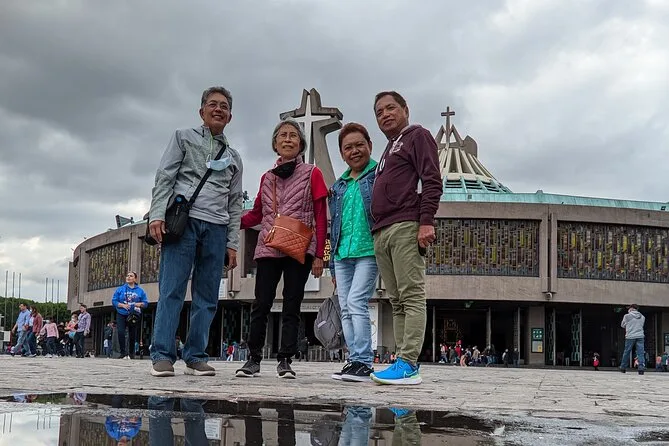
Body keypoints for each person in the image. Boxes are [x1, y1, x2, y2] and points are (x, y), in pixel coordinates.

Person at [148, 86, 243, 377]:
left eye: (224, 106)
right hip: (184, 222)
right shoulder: (183, 137)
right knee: (172, 289)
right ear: (201, 111)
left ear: (230, 116)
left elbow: (235, 201)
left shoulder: (235, 157)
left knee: (208, 296)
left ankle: (196, 355)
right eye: (213, 104)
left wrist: (232, 242)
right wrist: (156, 214)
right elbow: (165, 176)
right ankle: (162, 354)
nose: (218, 109)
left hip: (217, 227)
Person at [236, 118, 328, 379]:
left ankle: (285, 359)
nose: (288, 139)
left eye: (293, 135)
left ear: (301, 144)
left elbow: (321, 215)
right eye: (282, 136)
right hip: (269, 245)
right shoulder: (267, 178)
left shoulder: (312, 173)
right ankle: (253, 358)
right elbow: (256, 214)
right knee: (261, 303)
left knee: (292, 303)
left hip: (299, 246)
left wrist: (319, 254)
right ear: (275, 144)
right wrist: (229, 220)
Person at [368, 91, 442, 386]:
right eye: (379, 112)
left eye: (390, 108)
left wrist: (426, 221)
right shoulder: (389, 148)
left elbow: (432, 180)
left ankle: (409, 363)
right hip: (382, 230)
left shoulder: (417, 136)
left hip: (405, 224)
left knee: (411, 295)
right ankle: (400, 361)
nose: (385, 114)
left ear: (405, 109)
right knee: (396, 300)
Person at [328, 122, 378, 382]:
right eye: (348, 147)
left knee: (357, 302)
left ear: (370, 145)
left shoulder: (379, 174)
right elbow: (334, 226)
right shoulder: (340, 186)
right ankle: (353, 360)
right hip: (342, 254)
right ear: (342, 153)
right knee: (345, 307)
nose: (354, 151)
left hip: (368, 250)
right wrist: (332, 264)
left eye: (360, 145)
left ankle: (364, 362)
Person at [112, 271, 149, 360]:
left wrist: (139, 304)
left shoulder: (140, 291)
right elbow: (114, 301)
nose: (128, 277)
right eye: (127, 275)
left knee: (132, 334)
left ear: (135, 279)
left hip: (133, 315)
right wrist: (122, 305)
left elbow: (145, 303)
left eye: (131, 276)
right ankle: (123, 352)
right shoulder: (120, 289)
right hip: (121, 313)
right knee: (121, 332)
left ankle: (131, 353)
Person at [619, 304, 646, 375]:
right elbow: (641, 325)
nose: (628, 310)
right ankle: (641, 368)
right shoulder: (642, 317)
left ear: (631, 309)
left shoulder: (627, 316)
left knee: (627, 352)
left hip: (630, 336)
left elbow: (622, 325)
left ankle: (623, 367)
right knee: (640, 353)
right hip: (640, 336)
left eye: (629, 308)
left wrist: (629, 325)